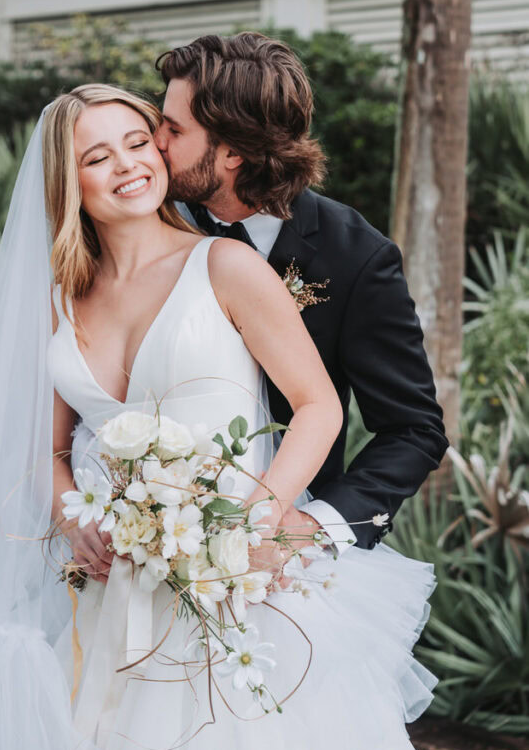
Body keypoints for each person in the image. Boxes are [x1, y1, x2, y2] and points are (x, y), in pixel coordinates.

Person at [0, 83, 437, 750]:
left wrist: (253, 526)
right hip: (104, 582)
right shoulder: (59, 295)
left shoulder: (225, 265)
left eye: (139, 142)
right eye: (96, 157)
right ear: (67, 181)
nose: (127, 166)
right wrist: (71, 517)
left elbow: (318, 406)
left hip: (236, 583)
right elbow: (43, 446)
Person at [154, 32, 449, 558]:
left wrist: (309, 527)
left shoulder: (355, 258)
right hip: (148, 531)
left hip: (275, 560)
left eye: (174, 129)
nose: (155, 141)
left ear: (233, 153)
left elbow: (412, 430)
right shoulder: (149, 228)